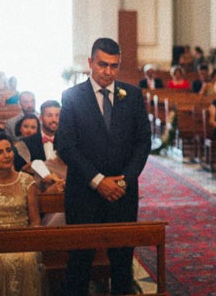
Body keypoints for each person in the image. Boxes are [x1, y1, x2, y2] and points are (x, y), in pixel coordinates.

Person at [56, 37, 151, 296]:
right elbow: (65, 146)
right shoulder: (72, 97)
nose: (108, 71)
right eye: (102, 64)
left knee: (122, 263)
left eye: (113, 65)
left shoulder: (131, 95)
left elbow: (143, 142)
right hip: (84, 194)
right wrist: (98, 181)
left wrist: (123, 181)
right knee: (79, 263)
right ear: (90, 63)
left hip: (123, 193)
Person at [0, 131, 44, 296]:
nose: (6, 155)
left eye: (9, 150)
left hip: (24, 241)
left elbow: (34, 221)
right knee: (3, 261)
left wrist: (26, 242)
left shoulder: (27, 181)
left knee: (27, 259)